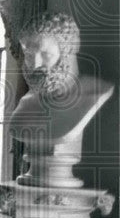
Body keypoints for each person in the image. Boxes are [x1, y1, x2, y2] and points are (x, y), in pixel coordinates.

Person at [8, 11, 114, 149]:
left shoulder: (96, 94)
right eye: (28, 55)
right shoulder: (26, 103)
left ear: (70, 49)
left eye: (46, 54)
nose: (35, 65)